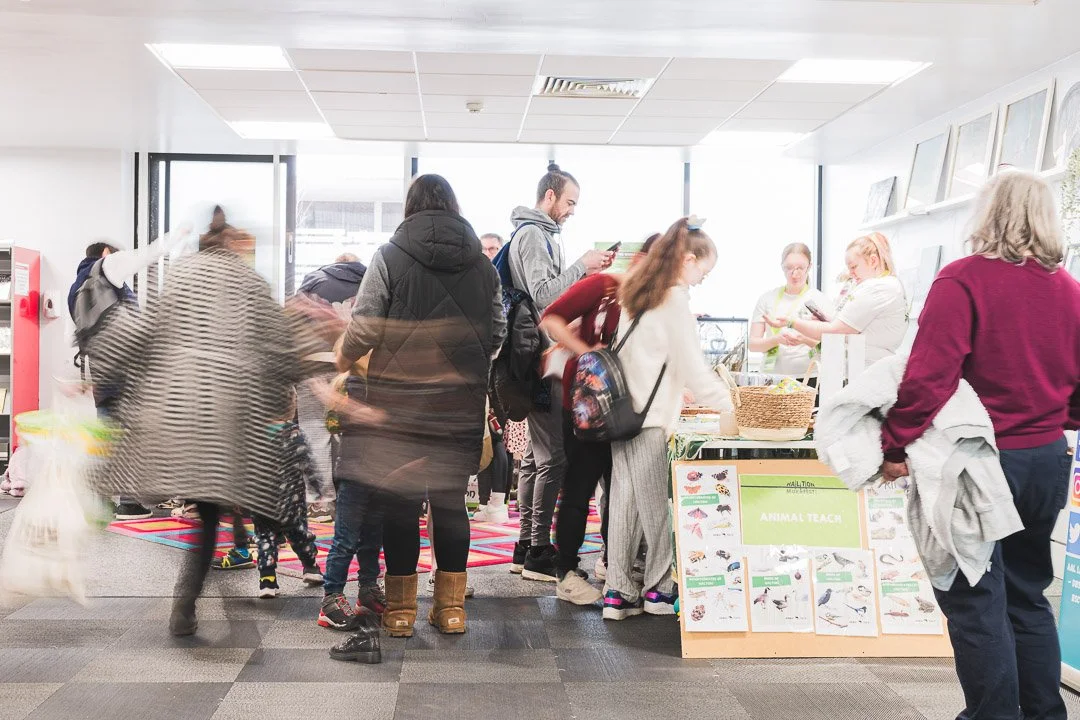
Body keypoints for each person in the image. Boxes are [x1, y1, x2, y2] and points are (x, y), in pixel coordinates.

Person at [880, 171, 1080, 720]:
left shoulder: (964, 279)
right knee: (1026, 594)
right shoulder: (1069, 290)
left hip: (979, 462)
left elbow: (928, 377)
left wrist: (894, 443)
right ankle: (1045, 715)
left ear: (988, 215)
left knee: (974, 599)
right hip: (1045, 460)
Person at [89, 226, 308, 636]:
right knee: (229, 501)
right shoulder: (251, 284)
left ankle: (188, 602)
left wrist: (99, 366)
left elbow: (141, 334)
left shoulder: (181, 279)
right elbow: (279, 350)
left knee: (211, 508)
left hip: (185, 421)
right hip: (229, 420)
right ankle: (195, 594)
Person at [334, 174, 505, 637]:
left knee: (400, 505)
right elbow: (498, 333)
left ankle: (401, 613)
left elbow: (366, 326)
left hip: (399, 403)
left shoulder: (390, 256)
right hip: (460, 400)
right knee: (451, 504)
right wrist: (470, 366)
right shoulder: (485, 268)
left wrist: (343, 356)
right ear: (453, 207)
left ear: (410, 208)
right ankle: (451, 610)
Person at [602, 217, 734, 620]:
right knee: (656, 504)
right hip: (651, 417)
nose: (699, 281)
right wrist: (727, 404)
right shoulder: (674, 299)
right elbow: (692, 365)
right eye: (702, 272)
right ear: (689, 260)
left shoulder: (639, 291)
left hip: (621, 413)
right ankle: (658, 589)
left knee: (626, 503)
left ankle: (619, 593)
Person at [540, 233, 660, 605]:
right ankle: (566, 570)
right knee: (580, 484)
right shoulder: (604, 286)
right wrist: (588, 352)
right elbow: (552, 318)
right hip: (588, 404)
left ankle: (615, 562)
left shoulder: (660, 302)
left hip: (632, 406)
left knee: (622, 489)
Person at [508, 163, 612, 581]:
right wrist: (583, 268)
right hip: (539, 356)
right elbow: (545, 297)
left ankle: (526, 545)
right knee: (553, 459)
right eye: (569, 202)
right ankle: (538, 550)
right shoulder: (534, 235)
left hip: (530, 356)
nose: (571, 210)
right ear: (548, 197)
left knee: (536, 458)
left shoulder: (535, 234)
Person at [68, 231, 192, 521]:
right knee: (129, 436)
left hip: (101, 372)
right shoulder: (107, 267)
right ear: (106, 253)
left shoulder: (76, 288)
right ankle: (127, 502)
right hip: (126, 370)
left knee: (107, 435)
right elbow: (147, 254)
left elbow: (74, 335)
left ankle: (100, 501)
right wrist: (180, 235)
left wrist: (80, 380)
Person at [765, 233, 907, 367]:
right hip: (859, 366)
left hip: (866, 368)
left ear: (873, 261)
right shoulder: (881, 286)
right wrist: (827, 321)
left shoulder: (877, 288)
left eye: (853, 267)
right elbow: (847, 326)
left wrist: (791, 322)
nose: (850, 273)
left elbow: (836, 331)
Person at [253, 396, 325, 598]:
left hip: (260, 500)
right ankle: (310, 567)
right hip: (290, 500)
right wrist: (317, 487)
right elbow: (307, 463)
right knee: (299, 534)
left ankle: (267, 580)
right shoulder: (294, 434)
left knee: (265, 539)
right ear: (291, 407)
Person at [749, 243, 834, 377]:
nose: (795, 274)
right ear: (782, 267)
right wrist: (776, 339)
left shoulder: (819, 301)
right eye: (789, 268)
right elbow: (753, 345)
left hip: (808, 378)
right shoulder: (767, 299)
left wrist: (804, 339)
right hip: (771, 377)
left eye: (800, 268)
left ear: (809, 267)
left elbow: (830, 347)